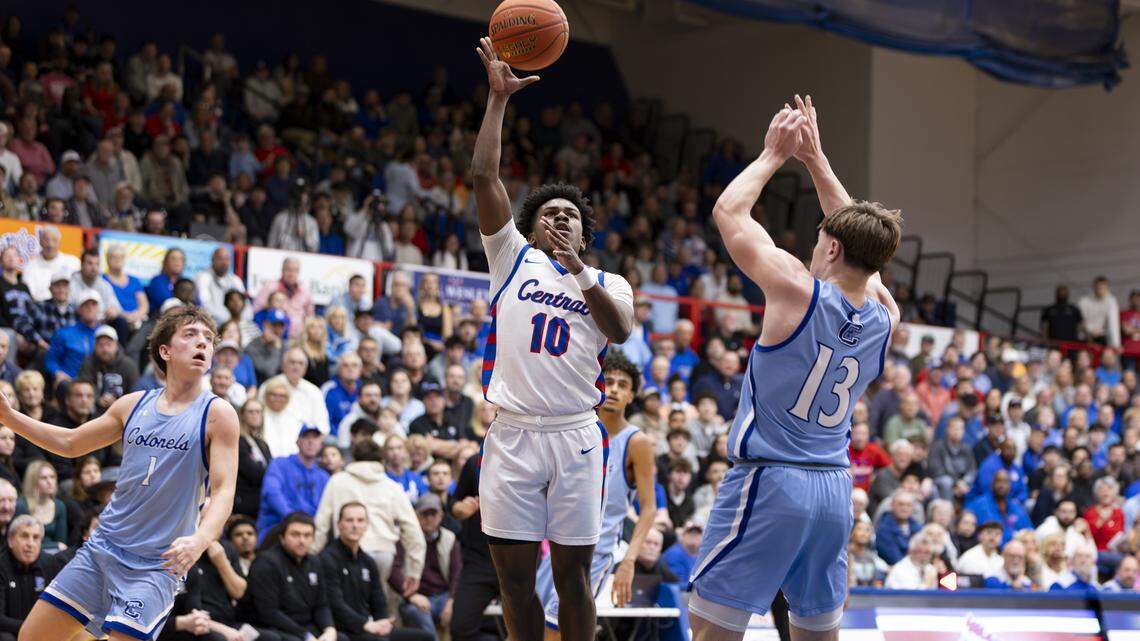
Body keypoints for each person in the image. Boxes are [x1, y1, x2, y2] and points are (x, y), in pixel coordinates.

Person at [688, 96, 901, 641]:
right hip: (834, 488)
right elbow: (860, 241)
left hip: (770, 478)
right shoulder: (885, 316)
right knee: (816, 632)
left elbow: (729, 212)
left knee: (712, 629)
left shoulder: (793, 289)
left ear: (829, 247)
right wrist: (818, 160)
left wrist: (773, 154)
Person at [471, 38, 636, 641]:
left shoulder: (608, 282)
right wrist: (497, 99)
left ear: (584, 235)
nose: (561, 217)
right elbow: (484, 175)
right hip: (512, 433)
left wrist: (578, 271)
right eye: (550, 212)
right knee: (513, 583)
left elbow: (618, 331)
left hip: (575, 437)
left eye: (571, 215)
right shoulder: (510, 259)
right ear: (531, 226)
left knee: (572, 577)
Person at [9, 305, 239, 641]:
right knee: (32, 636)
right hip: (103, 547)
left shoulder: (218, 414)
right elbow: (70, 442)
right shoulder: (132, 404)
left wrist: (200, 540)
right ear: (165, 351)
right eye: (190, 335)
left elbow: (224, 492)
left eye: (207, 338)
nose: (202, 343)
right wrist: (9, 416)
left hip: (156, 565)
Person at [535, 350, 658, 638]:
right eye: (609, 381)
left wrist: (628, 561)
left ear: (631, 395)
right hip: (557, 544)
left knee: (556, 628)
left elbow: (649, 508)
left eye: (623, 385)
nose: (614, 389)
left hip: (595, 553)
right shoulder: (577, 429)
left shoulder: (637, 443)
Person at [312, 439, 425, 586]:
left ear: (354, 457)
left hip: (349, 551)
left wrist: (310, 554)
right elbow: (412, 530)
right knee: (376, 602)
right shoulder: (391, 486)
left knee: (350, 603)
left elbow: (321, 524)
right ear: (380, 458)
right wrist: (414, 572)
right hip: (383, 553)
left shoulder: (337, 481)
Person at [319, 502, 433, 641]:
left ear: (367, 525)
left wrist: (382, 622)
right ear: (339, 524)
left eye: (360, 520)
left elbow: (378, 600)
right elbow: (335, 604)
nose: (355, 525)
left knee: (425, 637)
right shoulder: (327, 559)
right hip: (345, 630)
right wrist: (366, 625)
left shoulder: (367, 561)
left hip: (370, 628)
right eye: (349, 520)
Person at [244, 512, 345, 641]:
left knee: (340, 638)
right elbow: (269, 613)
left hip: (303, 626)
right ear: (282, 537)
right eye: (295, 535)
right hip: (270, 627)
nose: (302, 540)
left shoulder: (315, 562)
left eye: (307, 535)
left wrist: (329, 629)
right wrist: (305, 635)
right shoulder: (266, 563)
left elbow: (321, 604)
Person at [391, 494, 460, 640]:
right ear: (416, 516)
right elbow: (393, 570)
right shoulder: (405, 539)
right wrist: (411, 595)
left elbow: (457, 572)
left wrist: (452, 600)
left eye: (433, 513)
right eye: (425, 514)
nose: (429, 518)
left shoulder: (449, 538)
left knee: (463, 609)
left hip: (443, 595)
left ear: (441, 516)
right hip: (415, 597)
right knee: (416, 613)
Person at [257, 425, 329, 540]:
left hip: (311, 533)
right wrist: (295, 521)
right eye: (306, 437)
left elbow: (326, 508)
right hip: (277, 530)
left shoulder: (323, 476)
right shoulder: (279, 464)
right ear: (298, 442)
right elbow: (272, 494)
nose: (310, 441)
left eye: (315, 437)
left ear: (321, 443)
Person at [0, 516, 60, 640]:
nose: (30, 544)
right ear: (11, 540)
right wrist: (30, 628)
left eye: (36, 538)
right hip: (10, 633)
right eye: (24, 536)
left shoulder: (50, 564)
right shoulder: (1, 565)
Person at [77, 325, 139, 415]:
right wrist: (98, 398)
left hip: (123, 410)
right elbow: (84, 385)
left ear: (116, 345)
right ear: (95, 346)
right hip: (94, 409)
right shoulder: (88, 363)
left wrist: (119, 403)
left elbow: (136, 392)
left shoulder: (129, 365)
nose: (105, 349)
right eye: (101, 345)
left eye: (108, 344)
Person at [235, 399, 272, 519]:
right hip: (245, 502)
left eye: (258, 412)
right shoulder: (238, 441)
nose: (255, 415)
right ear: (243, 415)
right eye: (251, 412)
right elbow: (253, 473)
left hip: (261, 500)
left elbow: (271, 469)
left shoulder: (262, 443)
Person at [194, 248, 245, 326]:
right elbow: (205, 305)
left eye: (227, 259)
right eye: (220, 258)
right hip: (213, 323)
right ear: (212, 260)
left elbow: (246, 305)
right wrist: (228, 320)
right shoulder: (203, 277)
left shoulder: (236, 280)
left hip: (235, 324)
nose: (224, 262)